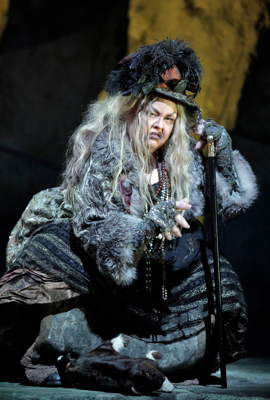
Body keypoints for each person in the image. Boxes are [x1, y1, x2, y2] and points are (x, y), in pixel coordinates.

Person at [0, 39, 257, 389]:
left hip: (157, 273)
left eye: (169, 118)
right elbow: (93, 222)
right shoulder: (106, 147)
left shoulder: (178, 159)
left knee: (218, 276)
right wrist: (146, 227)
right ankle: (86, 356)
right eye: (154, 113)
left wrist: (222, 154)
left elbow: (231, 204)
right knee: (51, 279)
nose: (160, 125)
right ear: (134, 110)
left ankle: (139, 355)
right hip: (100, 262)